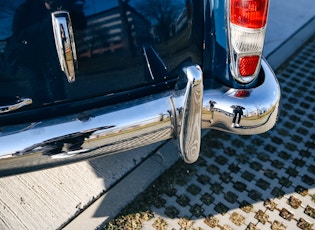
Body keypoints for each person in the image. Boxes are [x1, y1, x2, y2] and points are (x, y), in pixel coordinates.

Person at [5, 0, 86, 105]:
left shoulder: (62, 4)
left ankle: (62, 110)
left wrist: (71, 10)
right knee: (40, 93)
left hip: (56, 57)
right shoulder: (25, 9)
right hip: (33, 59)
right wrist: (47, 19)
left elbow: (81, 24)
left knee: (59, 93)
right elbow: (19, 35)